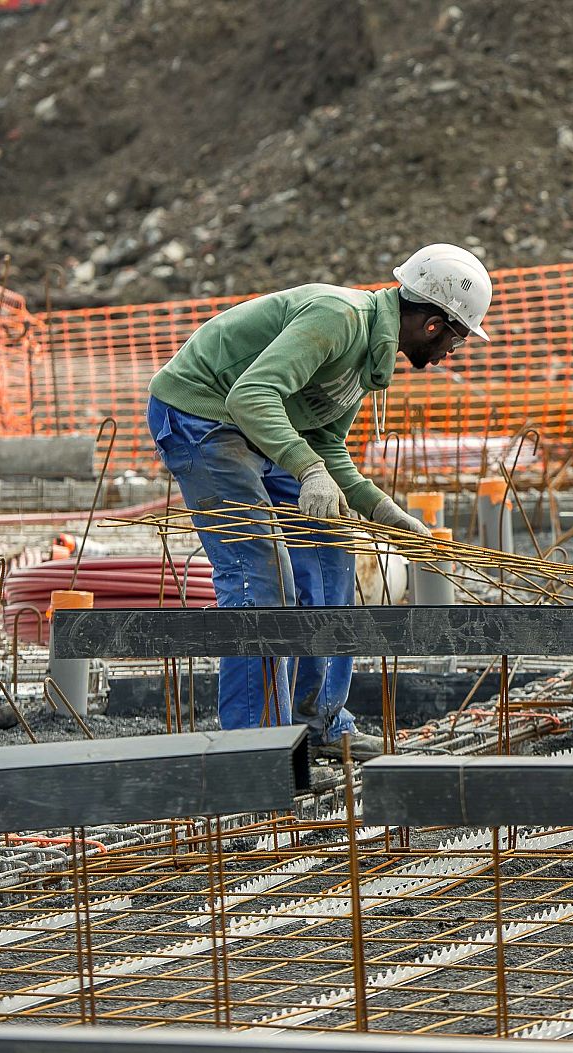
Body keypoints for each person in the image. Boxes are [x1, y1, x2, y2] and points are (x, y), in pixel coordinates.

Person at [147, 243, 492, 760]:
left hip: (260, 427)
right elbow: (251, 395)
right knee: (259, 572)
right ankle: (256, 748)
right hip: (204, 416)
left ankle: (319, 720)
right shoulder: (340, 318)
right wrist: (307, 470)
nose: (453, 353)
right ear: (433, 324)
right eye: (459, 338)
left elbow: (327, 442)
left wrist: (384, 512)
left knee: (332, 551)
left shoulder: (367, 359)